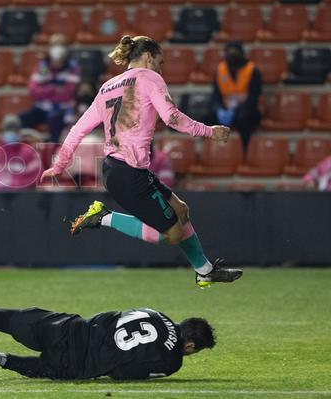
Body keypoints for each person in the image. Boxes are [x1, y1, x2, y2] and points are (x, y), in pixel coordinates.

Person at [40, 35, 242, 288]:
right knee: (173, 233)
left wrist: (60, 164)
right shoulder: (149, 78)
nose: (160, 68)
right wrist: (210, 131)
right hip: (127, 174)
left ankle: (205, 270)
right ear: (148, 57)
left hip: (122, 169)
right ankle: (104, 217)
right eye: (159, 62)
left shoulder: (107, 87)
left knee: (181, 210)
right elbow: (172, 118)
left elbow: (78, 128)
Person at [0, 286, 216, 380]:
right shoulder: (173, 362)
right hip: (81, 365)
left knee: (0, 317)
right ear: (190, 344)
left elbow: (112, 316)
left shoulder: (154, 312)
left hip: (69, 328)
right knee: (40, 369)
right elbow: (127, 374)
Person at [20, 34, 81, 143]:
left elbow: (67, 93)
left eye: (61, 45)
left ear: (66, 48)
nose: (57, 49)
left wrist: (44, 91)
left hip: (62, 110)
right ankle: (28, 149)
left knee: (55, 120)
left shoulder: (72, 67)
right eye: (54, 45)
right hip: (43, 108)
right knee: (23, 118)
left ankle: (54, 150)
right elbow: (33, 91)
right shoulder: (42, 66)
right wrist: (53, 89)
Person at [211, 41, 262, 151]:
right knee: (207, 118)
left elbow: (254, 97)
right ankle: (212, 151)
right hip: (226, 109)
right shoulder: (220, 70)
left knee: (243, 119)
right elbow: (216, 95)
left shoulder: (252, 70)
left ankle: (245, 151)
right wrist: (219, 109)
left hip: (247, 109)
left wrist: (237, 110)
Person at [0, 115, 43, 191]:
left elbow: (37, 175)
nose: (11, 133)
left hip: (19, 197)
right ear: (2, 132)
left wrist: (19, 187)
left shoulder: (29, 152)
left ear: (19, 132)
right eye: (8, 130)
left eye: (14, 130)